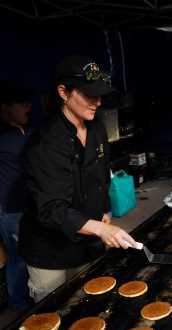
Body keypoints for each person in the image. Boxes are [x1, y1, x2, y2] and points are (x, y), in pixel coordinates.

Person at [18, 55, 137, 303]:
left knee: (87, 303)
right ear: (64, 92)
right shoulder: (45, 144)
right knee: (52, 312)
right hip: (49, 250)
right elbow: (51, 209)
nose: (97, 102)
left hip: (87, 242)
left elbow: (102, 174)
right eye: (88, 95)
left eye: (100, 94)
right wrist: (101, 228)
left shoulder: (96, 128)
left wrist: (105, 210)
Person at [0, 81, 33, 310]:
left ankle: (29, 297)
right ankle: (20, 305)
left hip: (31, 204)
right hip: (9, 209)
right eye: (22, 105)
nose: (27, 109)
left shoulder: (28, 131)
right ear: (6, 107)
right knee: (18, 258)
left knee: (31, 253)